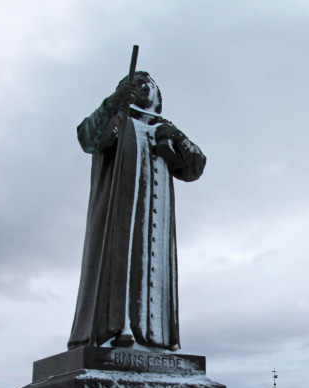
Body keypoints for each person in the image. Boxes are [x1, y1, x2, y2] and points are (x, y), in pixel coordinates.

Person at [68, 72, 206, 351]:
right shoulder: (116, 118)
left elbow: (195, 167)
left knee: (154, 272)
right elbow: (88, 138)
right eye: (134, 83)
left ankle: (157, 338)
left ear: (158, 96)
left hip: (158, 217)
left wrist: (176, 137)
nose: (142, 87)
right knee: (117, 264)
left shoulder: (163, 128)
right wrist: (113, 103)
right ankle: (112, 331)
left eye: (149, 84)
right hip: (118, 212)